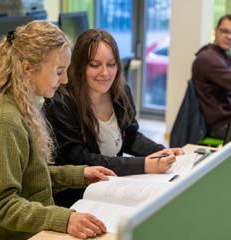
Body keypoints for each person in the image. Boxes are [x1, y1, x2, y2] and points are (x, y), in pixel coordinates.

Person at [0, 21, 117, 240]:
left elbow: (30, 175)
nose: (65, 80)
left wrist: (79, 175)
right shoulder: (3, 122)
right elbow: (1, 206)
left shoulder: (22, 107)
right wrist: (63, 218)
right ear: (28, 68)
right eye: (58, 72)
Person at [43, 29, 183, 208]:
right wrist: (144, 165)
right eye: (95, 65)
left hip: (111, 188)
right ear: (79, 66)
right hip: (75, 199)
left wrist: (164, 152)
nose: (105, 73)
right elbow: (82, 161)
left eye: (111, 64)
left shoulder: (121, 92)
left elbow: (131, 137)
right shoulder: (60, 103)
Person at [192, 14, 231, 140]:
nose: (229, 36)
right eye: (224, 31)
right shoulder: (209, 58)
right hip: (222, 124)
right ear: (216, 31)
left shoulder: (225, 56)